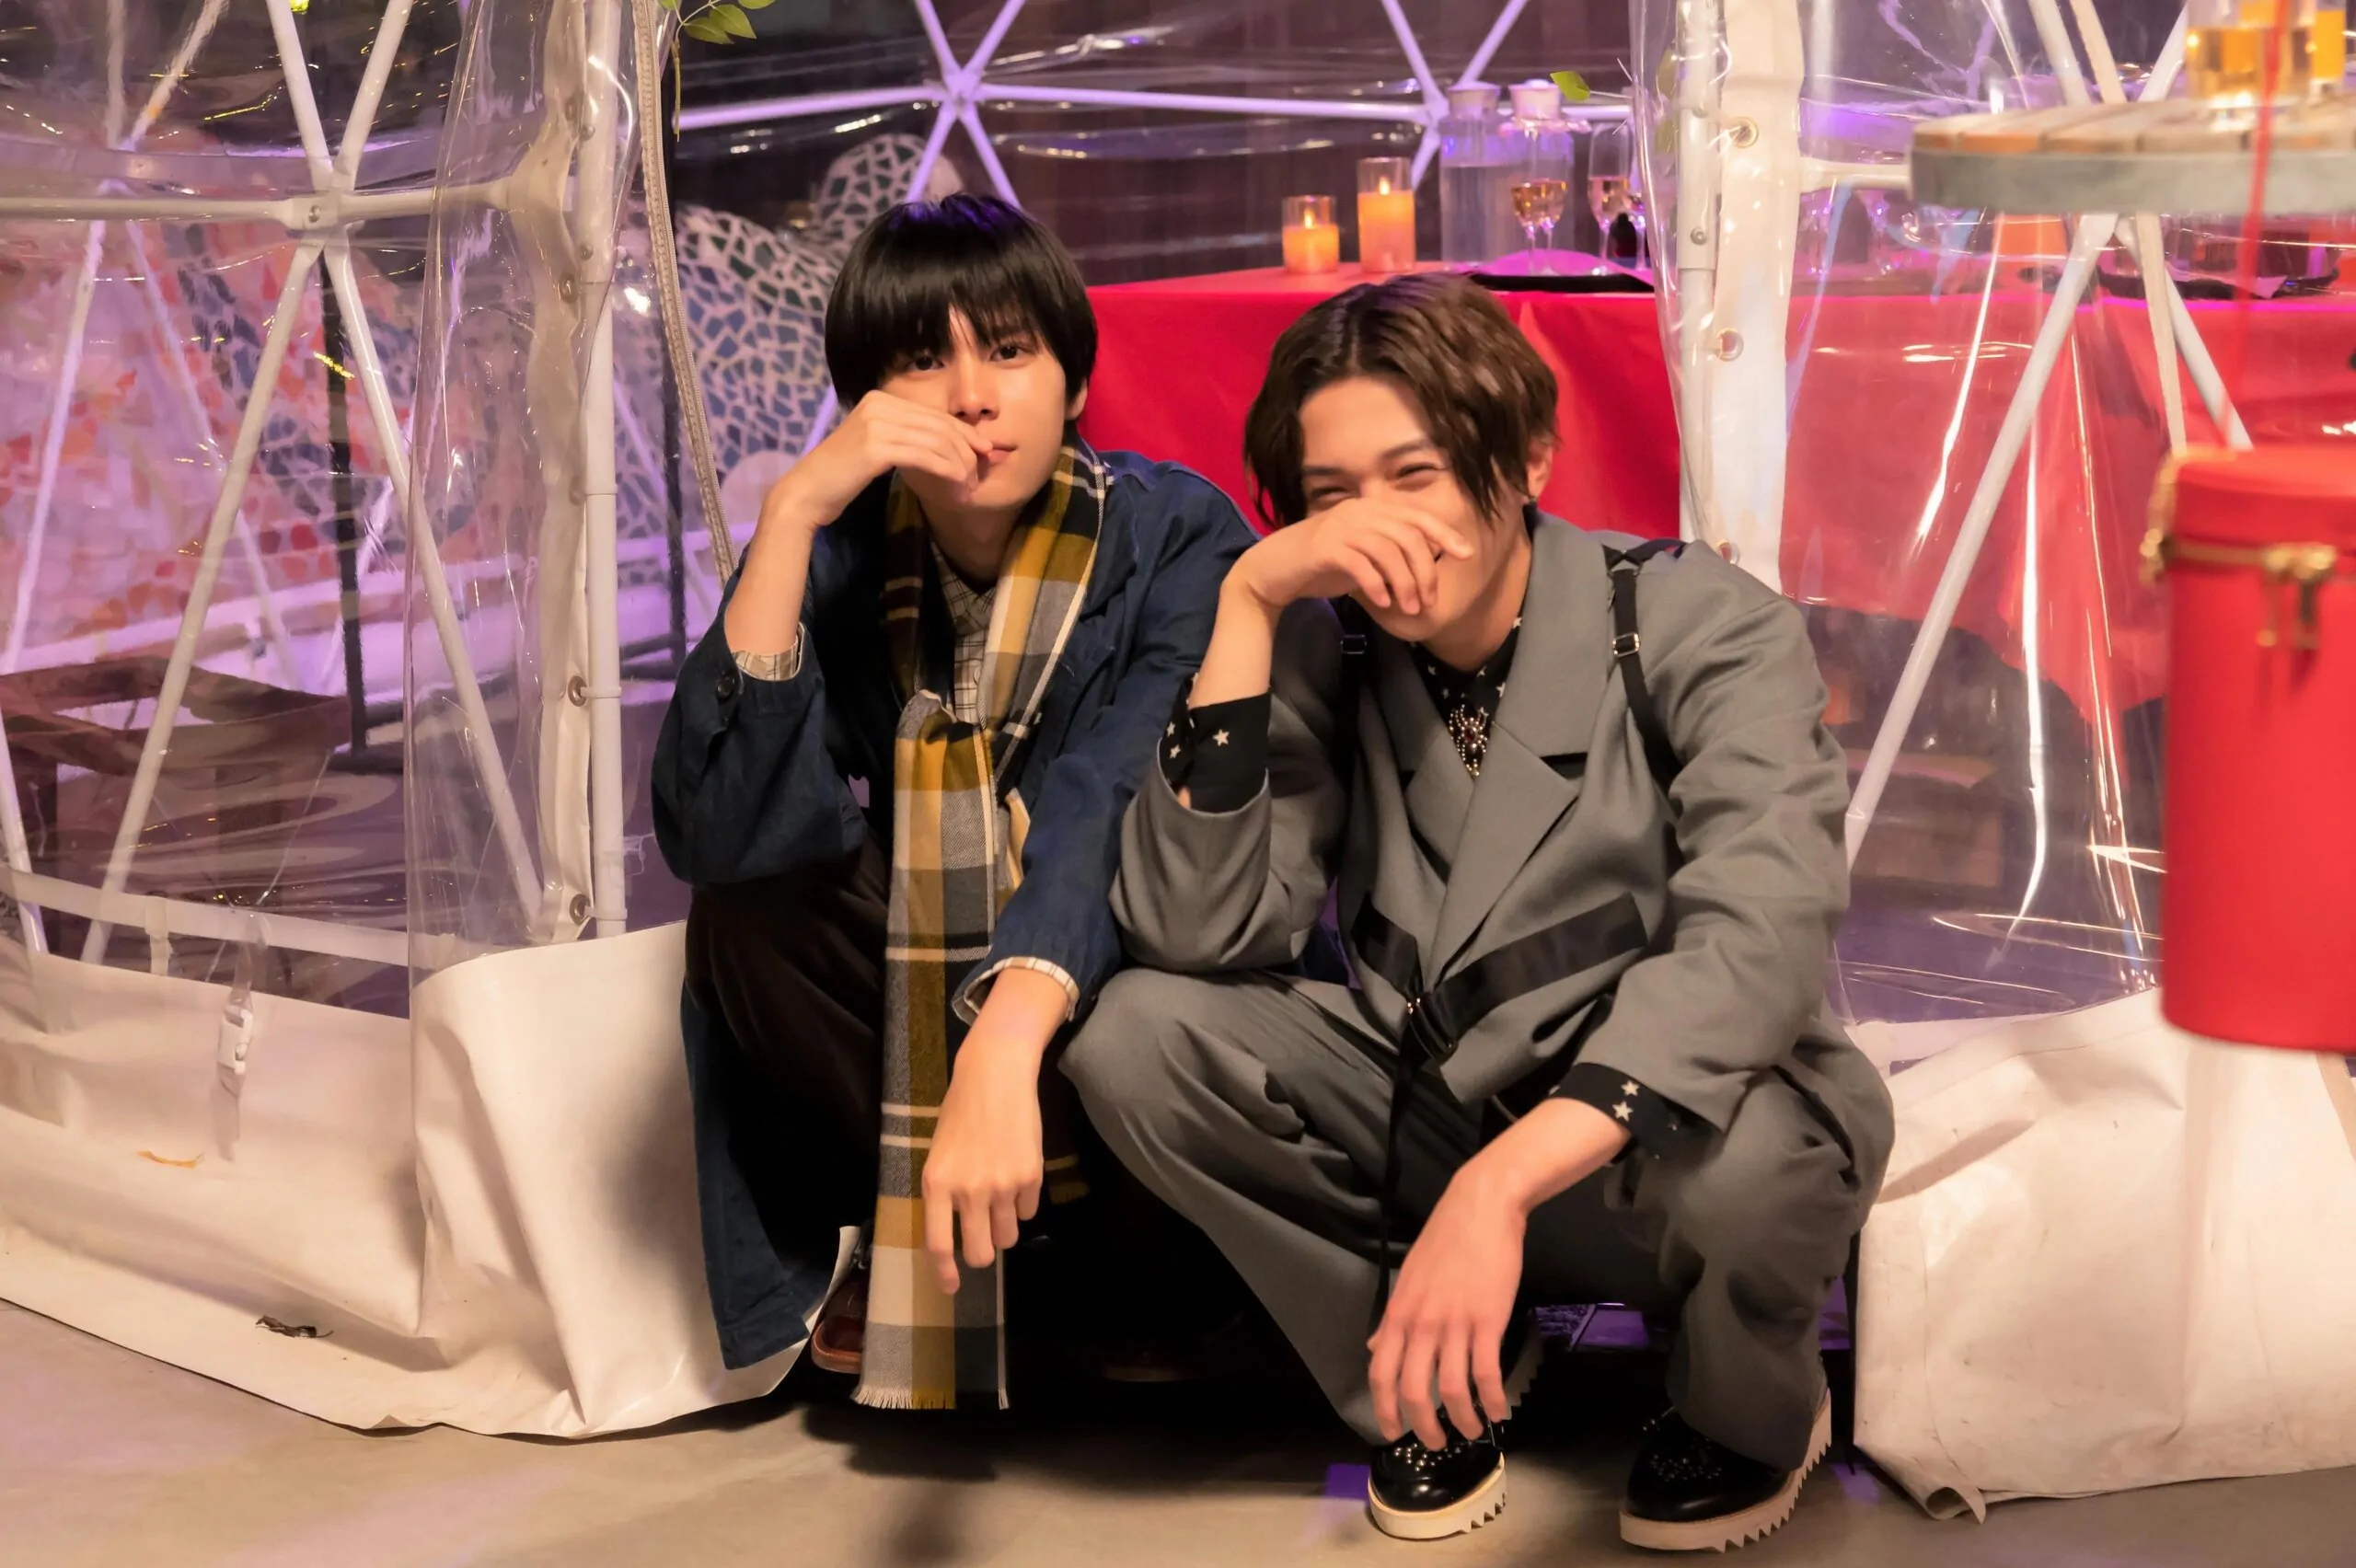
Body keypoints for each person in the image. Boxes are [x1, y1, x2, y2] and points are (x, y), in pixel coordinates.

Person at [1062, 274, 1893, 1551]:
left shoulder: (1693, 622)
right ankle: (1438, 1373)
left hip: (1652, 1140)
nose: (1376, 529)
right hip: (1434, 1109)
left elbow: (1759, 935)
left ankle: (1741, 1407)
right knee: (1136, 1035)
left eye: (1417, 475)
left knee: (1758, 1168)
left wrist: (1500, 1186)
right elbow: (1194, 936)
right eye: (1332, 496)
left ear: (1527, 461)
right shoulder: (1330, 648)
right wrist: (1246, 605)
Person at [653, 193, 1253, 1412]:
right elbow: (716, 828)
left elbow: (1113, 799)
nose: (973, 398)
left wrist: (1003, 1034)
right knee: (751, 909)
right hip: (936, 1004)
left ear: (1073, 381)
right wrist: (791, 515)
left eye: (1010, 351)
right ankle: (906, 1231)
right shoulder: (848, 550)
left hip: (1108, 963)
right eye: (925, 360)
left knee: (1148, 959)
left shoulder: (1175, 534)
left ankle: (1141, 1270)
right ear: (868, 400)